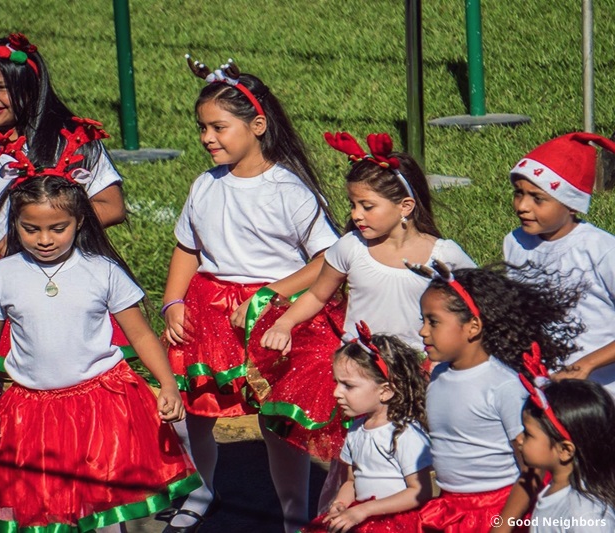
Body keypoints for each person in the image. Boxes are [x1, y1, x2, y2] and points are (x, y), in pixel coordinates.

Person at [0, 15, 127, 528]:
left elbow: (111, 205)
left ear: (30, 86)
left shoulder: (69, 141)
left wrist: (31, 233)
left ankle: (73, 501)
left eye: (1, 87)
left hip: (45, 282)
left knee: (42, 396)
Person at [0, 125, 198, 532]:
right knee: (45, 512)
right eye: (30, 228)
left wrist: (167, 384)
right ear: (14, 223)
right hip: (32, 413)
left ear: (79, 221)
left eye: (57, 228)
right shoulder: (2, 275)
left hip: (101, 406)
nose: (44, 239)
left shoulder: (101, 270)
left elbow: (141, 334)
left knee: (105, 512)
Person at [161, 56, 340, 533]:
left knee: (276, 420)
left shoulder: (289, 190)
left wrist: (270, 294)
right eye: (202, 128)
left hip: (271, 316)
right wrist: (173, 302)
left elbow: (328, 258)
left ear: (257, 126)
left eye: (218, 127)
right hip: (208, 312)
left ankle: (293, 515)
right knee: (194, 409)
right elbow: (187, 248)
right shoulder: (204, 185)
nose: (207, 137)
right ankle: (201, 490)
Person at [254, 131, 473, 510]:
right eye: (353, 204)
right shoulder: (351, 247)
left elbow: (473, 305)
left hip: (420, 375)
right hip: (363, 372)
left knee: (415, 457)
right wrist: (284, 323)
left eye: (367, 206)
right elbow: (318, 295)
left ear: (405, 206)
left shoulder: (444, 255)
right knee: (359, 456)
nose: (356, 214)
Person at [412, 261, 583, 532]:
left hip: (495, 511)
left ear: (473, 326)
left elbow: (532, 469)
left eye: (433, 322)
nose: (423, 331)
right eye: (422, 320)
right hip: (450, 509)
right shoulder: (438, 375)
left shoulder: (503, 386)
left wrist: (502, 526)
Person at [503, 133, 615, 396]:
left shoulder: (602, 250)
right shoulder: (514, 242)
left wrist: (586, 364)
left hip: (601, 394)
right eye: (518, 193)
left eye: (537, 198)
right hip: (542, 386)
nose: (522, 206)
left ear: (572, 205)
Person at [302, 323, 433, 533]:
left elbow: (420, 491)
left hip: (397, 524)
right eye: (337, 383)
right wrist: (341, 504)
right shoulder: (356, 430)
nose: (336, 392)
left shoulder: (404, 433)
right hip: (362, 517)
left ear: (385, 391)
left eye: (348, 385)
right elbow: (351, 481)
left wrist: (364, 510)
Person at [517, 367, 615, 532]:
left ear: (565, 450)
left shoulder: (586, 517)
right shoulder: (556, 489)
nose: (519, 438)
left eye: (528, 434)